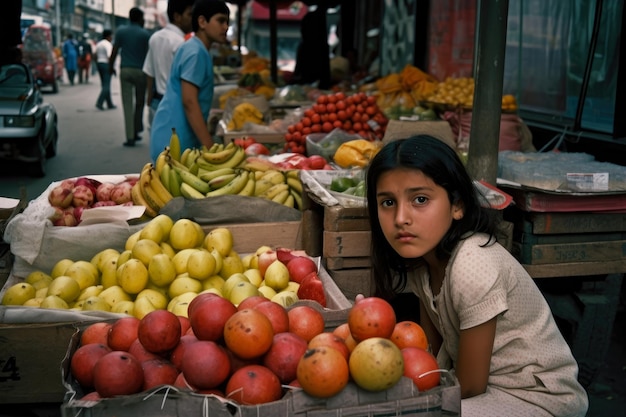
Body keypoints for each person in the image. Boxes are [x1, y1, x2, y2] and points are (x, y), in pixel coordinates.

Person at [364, 135, 589, 417]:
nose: (400, 218)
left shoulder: (472, 263)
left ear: (457, 206)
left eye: (420, 199)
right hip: (479, 389)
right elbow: (432, 358)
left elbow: (470, 386)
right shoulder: (421, 262)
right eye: (387, 203)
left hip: (537, 397)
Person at [149, 0, 229, 162]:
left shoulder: (194, 47)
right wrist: (209, 146)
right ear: (202, 22)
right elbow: (189, 101)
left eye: (227, 22)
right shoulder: (196, 52)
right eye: (220, 21)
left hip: (175, 136)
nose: (225, 27)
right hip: (174, 141)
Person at [142, 0, 194, 128]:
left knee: (159, 145)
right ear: (177, 17)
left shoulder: (155, 37)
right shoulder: (182, 44)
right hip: (176, 104)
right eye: (189, 14)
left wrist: (148, 99)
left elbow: (149, 71)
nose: (193, 19)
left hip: (157, 101)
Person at [108, 7, 151, 147]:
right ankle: (137, 129)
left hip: (125, 70)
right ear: (140, 18)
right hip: (141, 72)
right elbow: (149, 56)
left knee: (127, 104)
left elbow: (115, 51)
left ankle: (130, 136)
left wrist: (110, 66)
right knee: (139, 103)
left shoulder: (121, 31)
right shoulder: (145, 34)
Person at [95, 30, 116, 110]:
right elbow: (110, 56)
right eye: (111, 36)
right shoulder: (108, 44)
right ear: (108, 36)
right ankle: (99, 102)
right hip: (106, 64)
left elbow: (94, 54)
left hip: (99, 64)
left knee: (104, 84)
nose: (112, 38)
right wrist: (112, 67)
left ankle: (109, 103)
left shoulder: (99, 44)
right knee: (106, 85)